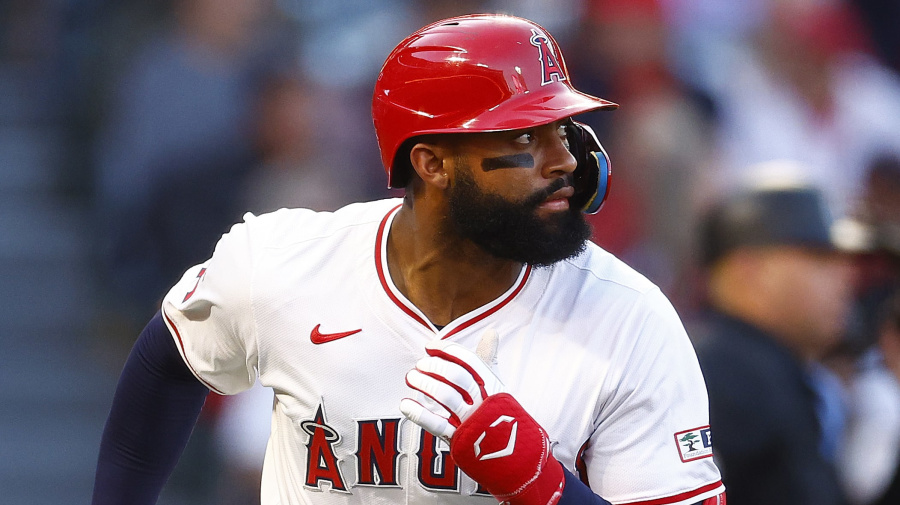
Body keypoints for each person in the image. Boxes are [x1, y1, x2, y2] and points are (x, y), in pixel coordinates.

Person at [92, 14, 725, 505]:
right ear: (432, 163)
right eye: (526, 138)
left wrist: (543, 484)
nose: (564, 162)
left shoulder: (629, 318)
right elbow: (167, 359)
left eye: (564, 132)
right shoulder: (285, 263)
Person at [693, 174, 862, 505]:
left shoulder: (771, 367)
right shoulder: (726, 373)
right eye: (820, 258)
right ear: (748, 271)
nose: (846, 276)